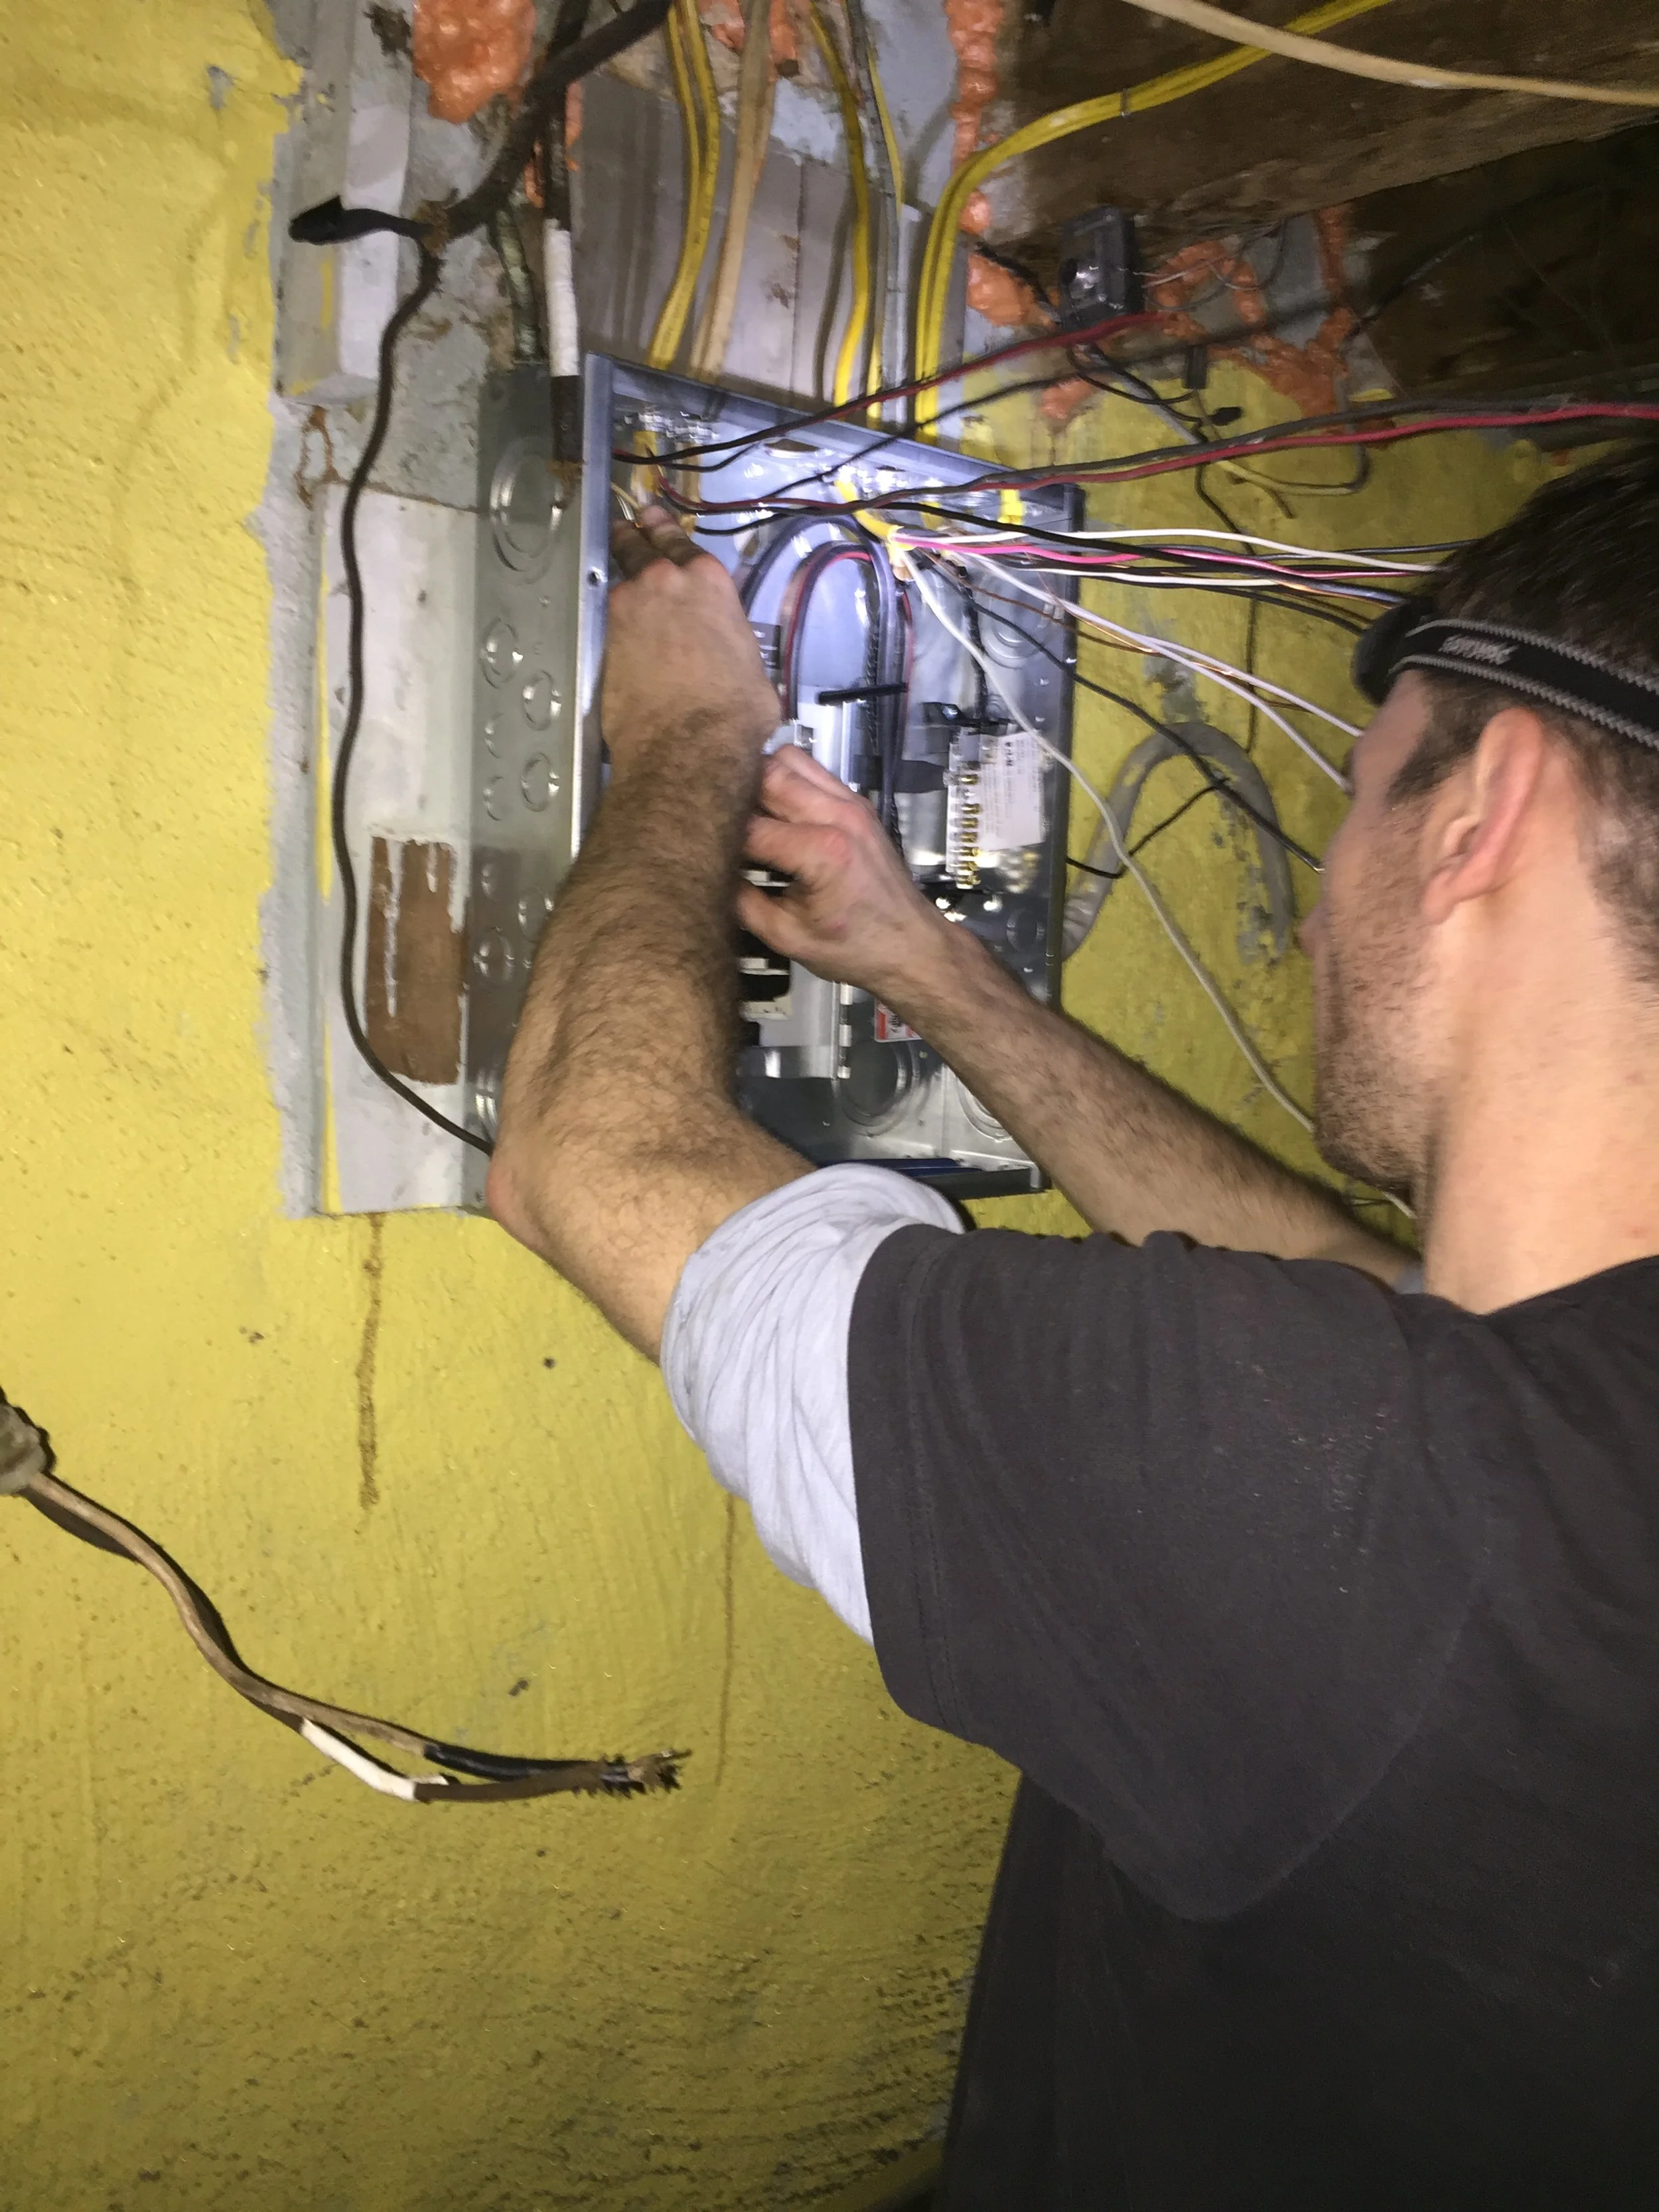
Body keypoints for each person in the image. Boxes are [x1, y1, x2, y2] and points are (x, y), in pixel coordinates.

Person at [486, 445, 1659, 2209]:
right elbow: (1380, 1316)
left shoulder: (1350, 1499)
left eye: (1355, 798)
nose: (1318, 901)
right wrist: (927, 967)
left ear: (1480, 810)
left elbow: (587, 1160)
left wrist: (684, 739)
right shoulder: (1559, 1413)